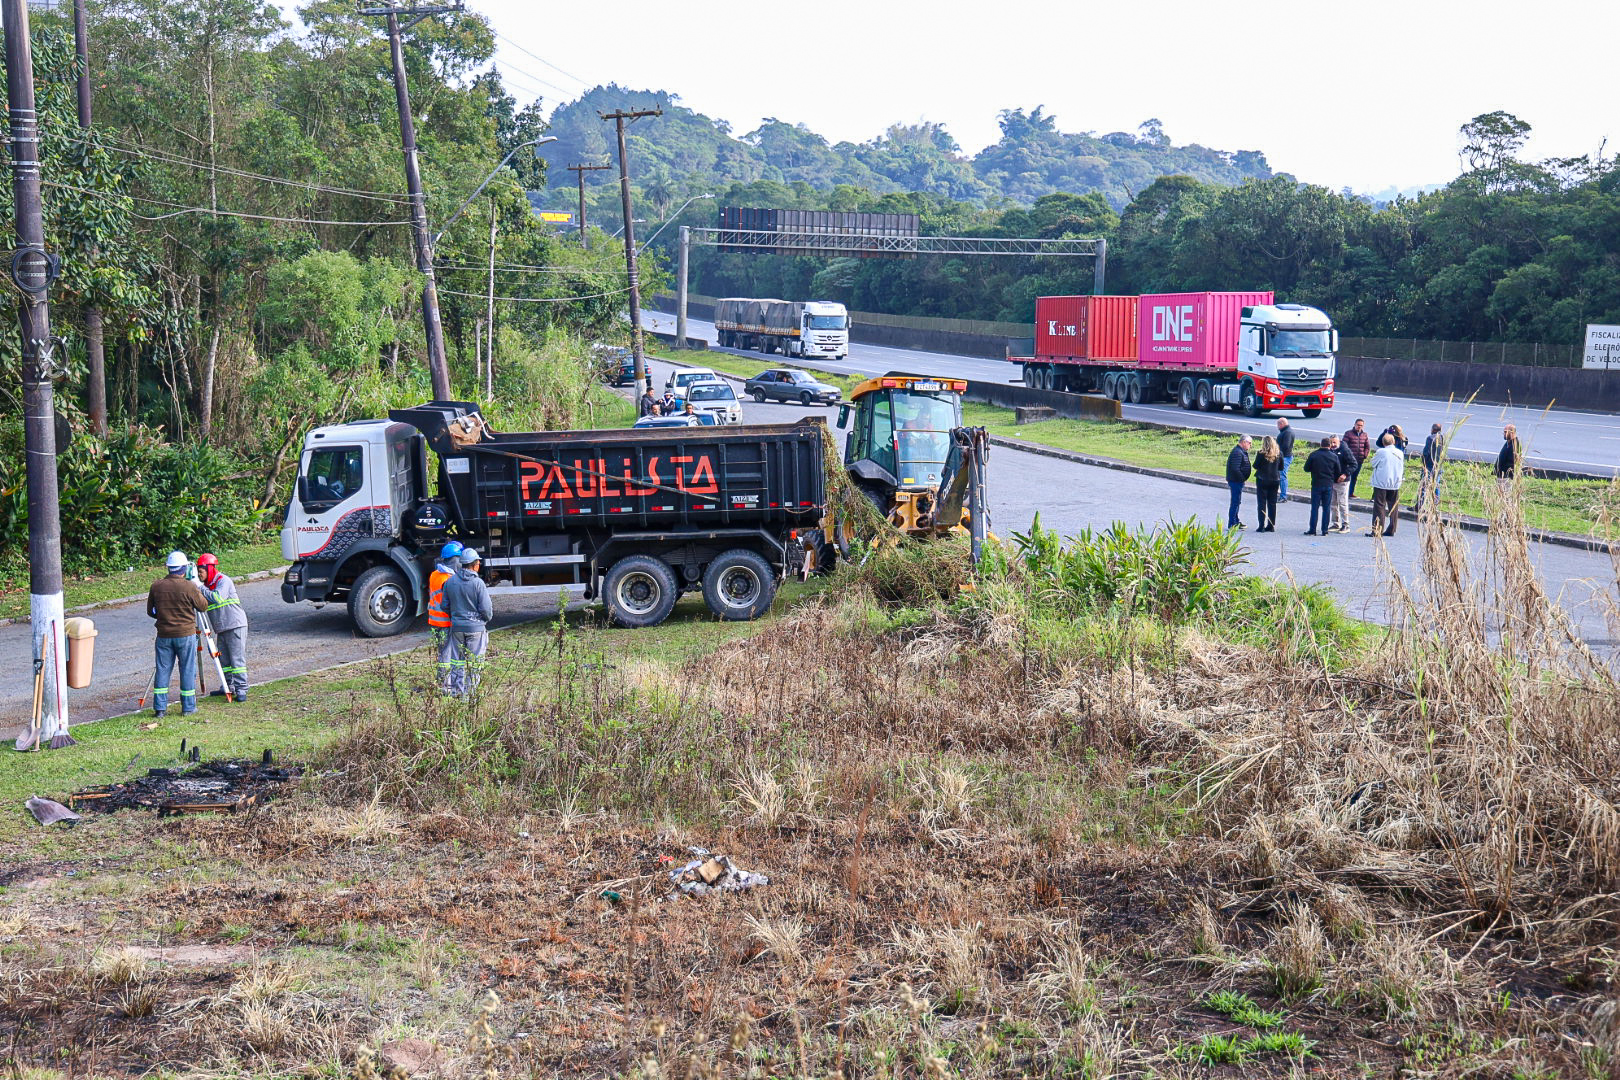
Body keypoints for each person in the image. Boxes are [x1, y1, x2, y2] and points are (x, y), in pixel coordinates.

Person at [147, 551, 208, 716]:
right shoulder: (189, 586)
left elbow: (151, 611)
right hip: (185, 635)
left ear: (168, 568)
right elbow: (203, 606)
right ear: (184, 568)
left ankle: (160, 709)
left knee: (163, 670)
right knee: (187, 669)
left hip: (164, 636)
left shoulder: (156, 586)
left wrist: (165, 616)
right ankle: (188, 708)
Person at [195, 553, 248, 701]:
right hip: (221, 627)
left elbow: (217, 598)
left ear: (210, 569)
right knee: (224, 661)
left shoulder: (223, 581)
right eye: (198, 572)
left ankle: (241, 689)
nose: (199, 575)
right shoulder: (206, 586)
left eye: (201, 571)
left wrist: (199, 587)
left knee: (237, 659)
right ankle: (227, 686)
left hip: (235, 625)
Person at [443, 547, 492, 698]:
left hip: (457, 628)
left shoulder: (450, 582)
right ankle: (470, 694)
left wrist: (456, 617)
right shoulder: (478, 583)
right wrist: (482, 620)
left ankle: (457, 692)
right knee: (475, 663)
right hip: (476, 629)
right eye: (478, 562)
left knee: (457, 662)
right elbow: (486, 610)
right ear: (474, 564)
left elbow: (444, 606)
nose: (479, 565)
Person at [427, 540, 463, 692]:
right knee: (447, 655)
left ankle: (441, 681)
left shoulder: (435, 574)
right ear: (455, 559)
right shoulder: (448, 579)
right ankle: (446, 686)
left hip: (434, 621)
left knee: (442, 653)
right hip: (445, 623)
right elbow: (452, 604)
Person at [1366, 434, 1406, 538]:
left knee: (1379, 507)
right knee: (1393, 507)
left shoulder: (1381, 452)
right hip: (1395, 482)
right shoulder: (1400, 453)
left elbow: (1373, 463)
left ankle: (1377, 530)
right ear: (1393, 442)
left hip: (1381, 482)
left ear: (1383, 443)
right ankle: (1392, 529)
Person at [1303, 437, 1343, 536]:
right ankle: (1324, 530)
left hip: (1316, 483)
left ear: (1320, 444)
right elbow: (1338, 471)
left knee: (1314, 508)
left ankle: (1312, 529)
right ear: (1329, 445)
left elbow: (1306, 468)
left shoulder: (1314, 455)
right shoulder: (1334, 456)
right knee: (1326, 508)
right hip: (1328, 484)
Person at [1253, 435, 1282, 532]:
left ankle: (1261, 525)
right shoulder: (1279, 454)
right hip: (1275, 480)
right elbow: (1281, 467)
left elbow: (1255, 465)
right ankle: (1271, 525)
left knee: (1261, 503)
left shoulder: (1261, 453)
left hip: (1262, 479)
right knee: (1272, 503)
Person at [1224, 435, 1253, 530]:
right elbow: (1235, 468)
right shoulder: (1237, 452)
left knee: (1237, 502)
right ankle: (1232, 523)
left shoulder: (1240, 451)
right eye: (1249, 443)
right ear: (1244, 442)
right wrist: (1242, 478)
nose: (1250, 445)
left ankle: (1235, 521)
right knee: (1235, 502)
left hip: (1237, 481)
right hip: (1236, 481)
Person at [1414, 423, 1444, 511]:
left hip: (1429, 465)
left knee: (1424, 486)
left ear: (1433, 429)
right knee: (1436, 486)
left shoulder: (1430, 438)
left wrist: (1423, 464)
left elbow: (1426, 452)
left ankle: (1419, 505)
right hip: (1438, 466)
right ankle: (1435, 505)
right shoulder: (1442, 438)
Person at [1332, 434, 1356, 533]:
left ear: (1339, 442)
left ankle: (1346, 524)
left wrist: (1345, 474)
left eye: (1334, 442)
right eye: (1331, 442)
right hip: (1332, 481)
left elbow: (1354, 464)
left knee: (1342, 503)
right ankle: (1335, 523)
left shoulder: (1345, 451)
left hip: (1343, 482)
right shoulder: (1330, 450)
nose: (1332, 444)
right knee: (1333, 504)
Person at [1342, 418, 1371, 497]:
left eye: (1361, 425)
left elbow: (1367, 447)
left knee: (1354, 477)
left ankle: (1350, 493)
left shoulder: (1364, 435)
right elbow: (1344, 446)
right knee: (1347, 476)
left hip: (1359, 460)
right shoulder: (1348, 433)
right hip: (1350, 461)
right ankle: (1345, 493)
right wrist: (1348, 456)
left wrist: (1364, 455)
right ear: (1354, 424)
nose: (1359, 427)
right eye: (1358, 425)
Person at [1495, 424, 1520, 493]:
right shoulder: (1509, 442)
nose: (1504, 434)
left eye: (1506, 432)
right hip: (1502, 476)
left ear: (1512, 432)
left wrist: (1506, 475)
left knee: (1506, 496)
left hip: (1506, 477)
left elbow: (1512, 463)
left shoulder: (1514, 445)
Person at [1275, 418, 1296, 499]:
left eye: (1278, 425)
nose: (1277, 427)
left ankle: (1283, 496)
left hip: (1285, 457)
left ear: (1282, 424)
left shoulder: (1287, 432)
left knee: (1282, 476)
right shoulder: (1287, 431)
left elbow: (1286, 446)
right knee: (1280, 475)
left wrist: (1277, 451)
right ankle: (1281, 495)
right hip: (1283, 457)